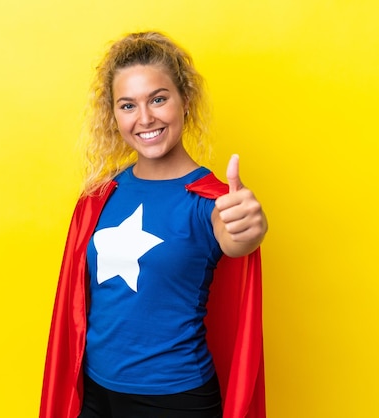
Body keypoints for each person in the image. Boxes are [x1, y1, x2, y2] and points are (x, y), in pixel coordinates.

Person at [40, 31, 268, 418]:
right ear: (113, 116)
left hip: (174, 400)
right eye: (128, 105)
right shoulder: (100, 196)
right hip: (95, 393)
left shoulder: (209, 201)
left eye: (158, 99)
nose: (144, 118)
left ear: (185, 102)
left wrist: (248, 228)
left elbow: (236, 239)